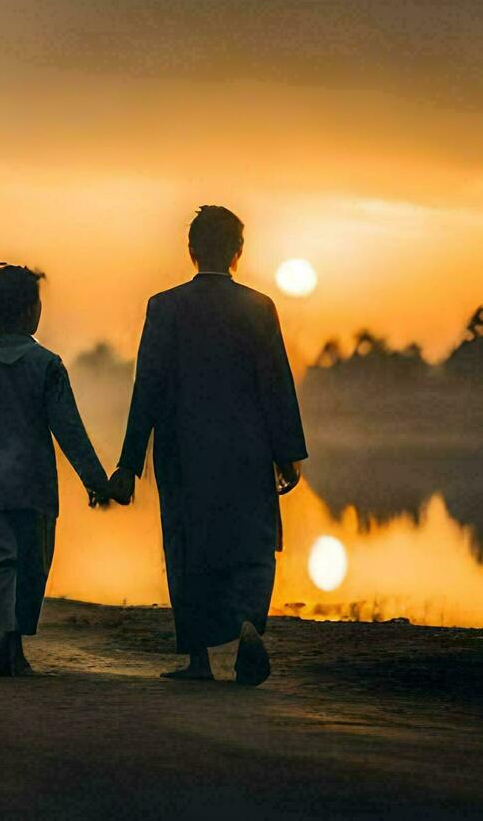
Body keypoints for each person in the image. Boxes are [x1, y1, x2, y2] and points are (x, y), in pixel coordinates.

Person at [108, 206, 307, 686]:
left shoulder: (165, 306)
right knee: (252, 545)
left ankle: (198, 660)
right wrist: (287, 452)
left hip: (184, 452)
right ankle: (246, 627)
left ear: (192, 250)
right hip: (248, 449)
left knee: (188, 549)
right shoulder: (259, 307)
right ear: (238, 252)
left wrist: (130, 464)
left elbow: (148, 388)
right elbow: (276, 384)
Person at [0, 263, 111, 676]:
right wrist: (95, 480)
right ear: (29, 311)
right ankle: (13, 644)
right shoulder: (47, 364)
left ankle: (7, 639)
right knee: (33, 565)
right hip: (33, 484)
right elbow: (68, 428)